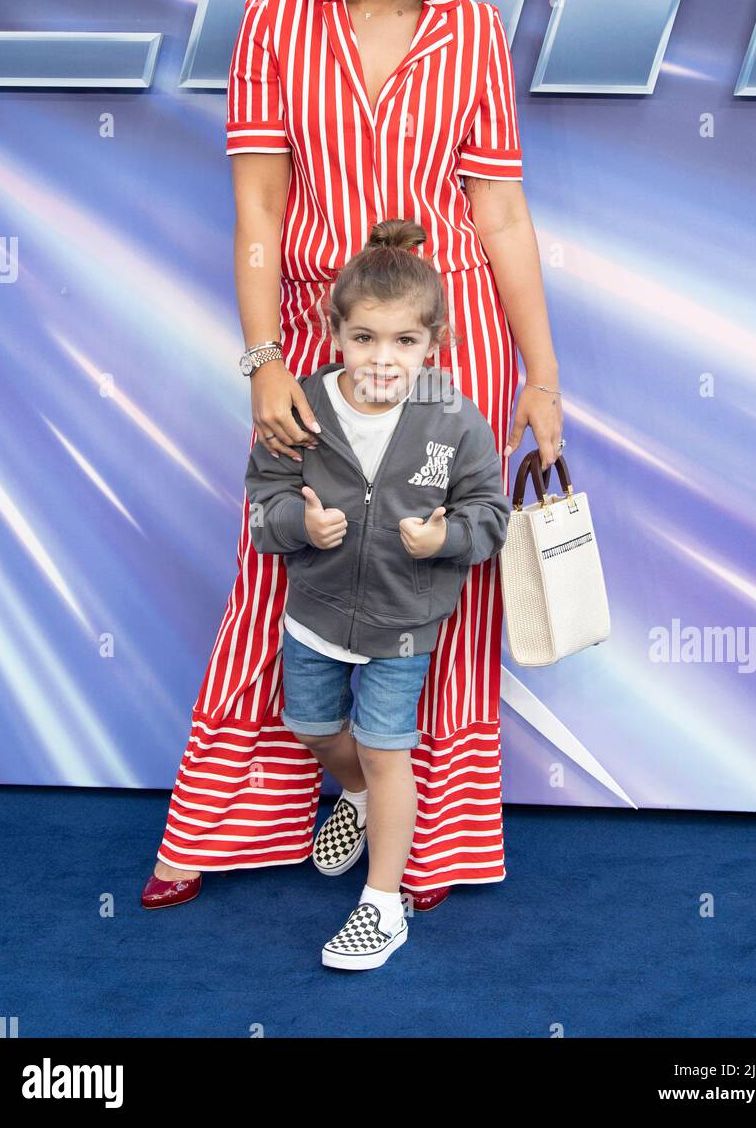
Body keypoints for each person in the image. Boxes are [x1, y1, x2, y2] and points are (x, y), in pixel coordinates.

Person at [142, 0, 563, 913]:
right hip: (321, 353)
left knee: (433, 578)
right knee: (288, 564)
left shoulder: (469, 31)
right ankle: (246, 820)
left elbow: (503, 219)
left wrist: (543, 375)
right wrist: (262, 361)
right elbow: (256, 218)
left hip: (446, 344)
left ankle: (427, 842)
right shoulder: (276, 21)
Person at [244, 218, 511, 968]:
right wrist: (302, 522)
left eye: (403, 342)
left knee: (387, 746)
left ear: (434, 343)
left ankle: (382, 905)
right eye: (364, 339)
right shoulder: (297, 406)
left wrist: (444, 540)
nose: (382, 360)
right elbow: (262, 504)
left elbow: (490, 517)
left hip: (404, 622)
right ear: (333, 333)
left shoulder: (453, 418)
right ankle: (354, 795)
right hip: (315, 615)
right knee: (313, 727)